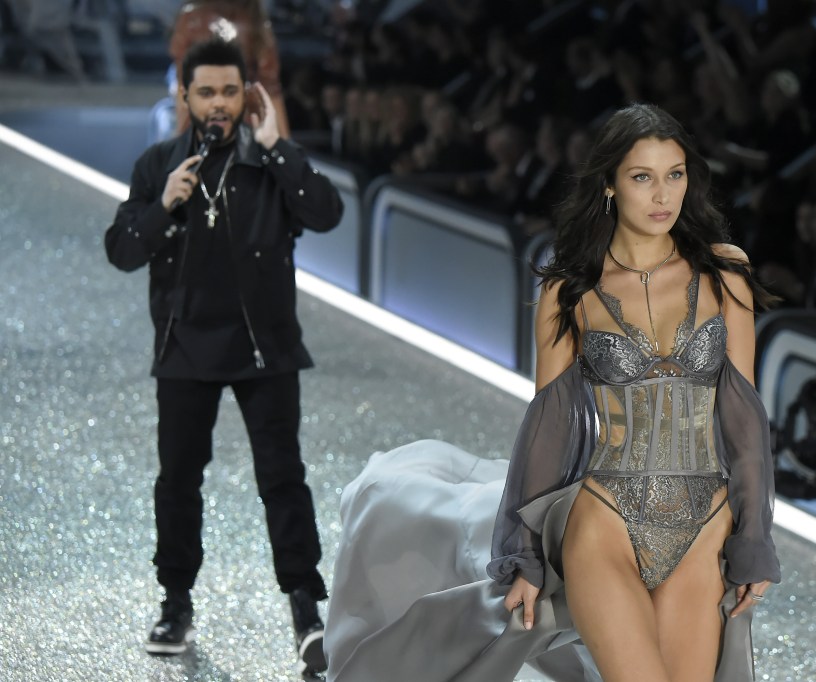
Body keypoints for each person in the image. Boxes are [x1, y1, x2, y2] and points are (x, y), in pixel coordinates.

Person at [324, 103, 781, 681]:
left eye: (676, 174)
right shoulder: (570, 290)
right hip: (605, 523)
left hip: (705, 521)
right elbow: (550, 426)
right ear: (611, 185)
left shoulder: (725, 274)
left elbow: (744, 418)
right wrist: (525, 555)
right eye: (643, 177)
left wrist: (754, 537)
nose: (663, 193)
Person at [104, 38, 343, 675]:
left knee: (283, 480)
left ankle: (305, 609)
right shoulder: (159, 164)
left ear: (247, 97)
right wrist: (162, 208)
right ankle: (175, 601)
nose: (218, 104)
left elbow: (326, 213)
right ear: (185, 97)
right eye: (206, 91)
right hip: (184, 347)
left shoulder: (270, 163)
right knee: (178, 482)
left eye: (229, 92)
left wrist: (279, 147)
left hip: (265, 349)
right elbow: (121, 250)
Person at [169, 0, 290, 138]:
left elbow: (271, 87)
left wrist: (286, 147)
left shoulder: (255, 19)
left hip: (242, 121)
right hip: (216, 120)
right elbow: (272, 89)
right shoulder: (192, 18)